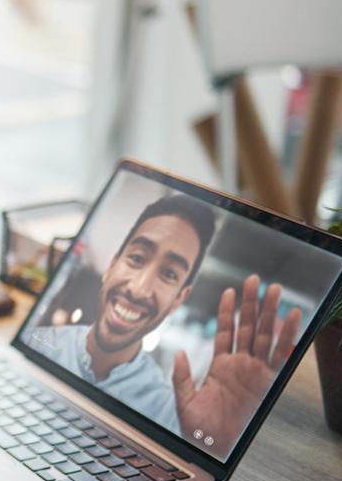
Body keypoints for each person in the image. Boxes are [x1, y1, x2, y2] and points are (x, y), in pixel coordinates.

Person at [31, 194, 302, 456]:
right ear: (112, 265)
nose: (139, 289)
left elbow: (196, 455)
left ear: (178, 299)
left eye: (169, 274)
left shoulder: (169, 414)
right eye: (136, 258)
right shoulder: (39, 342)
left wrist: (207, 447)